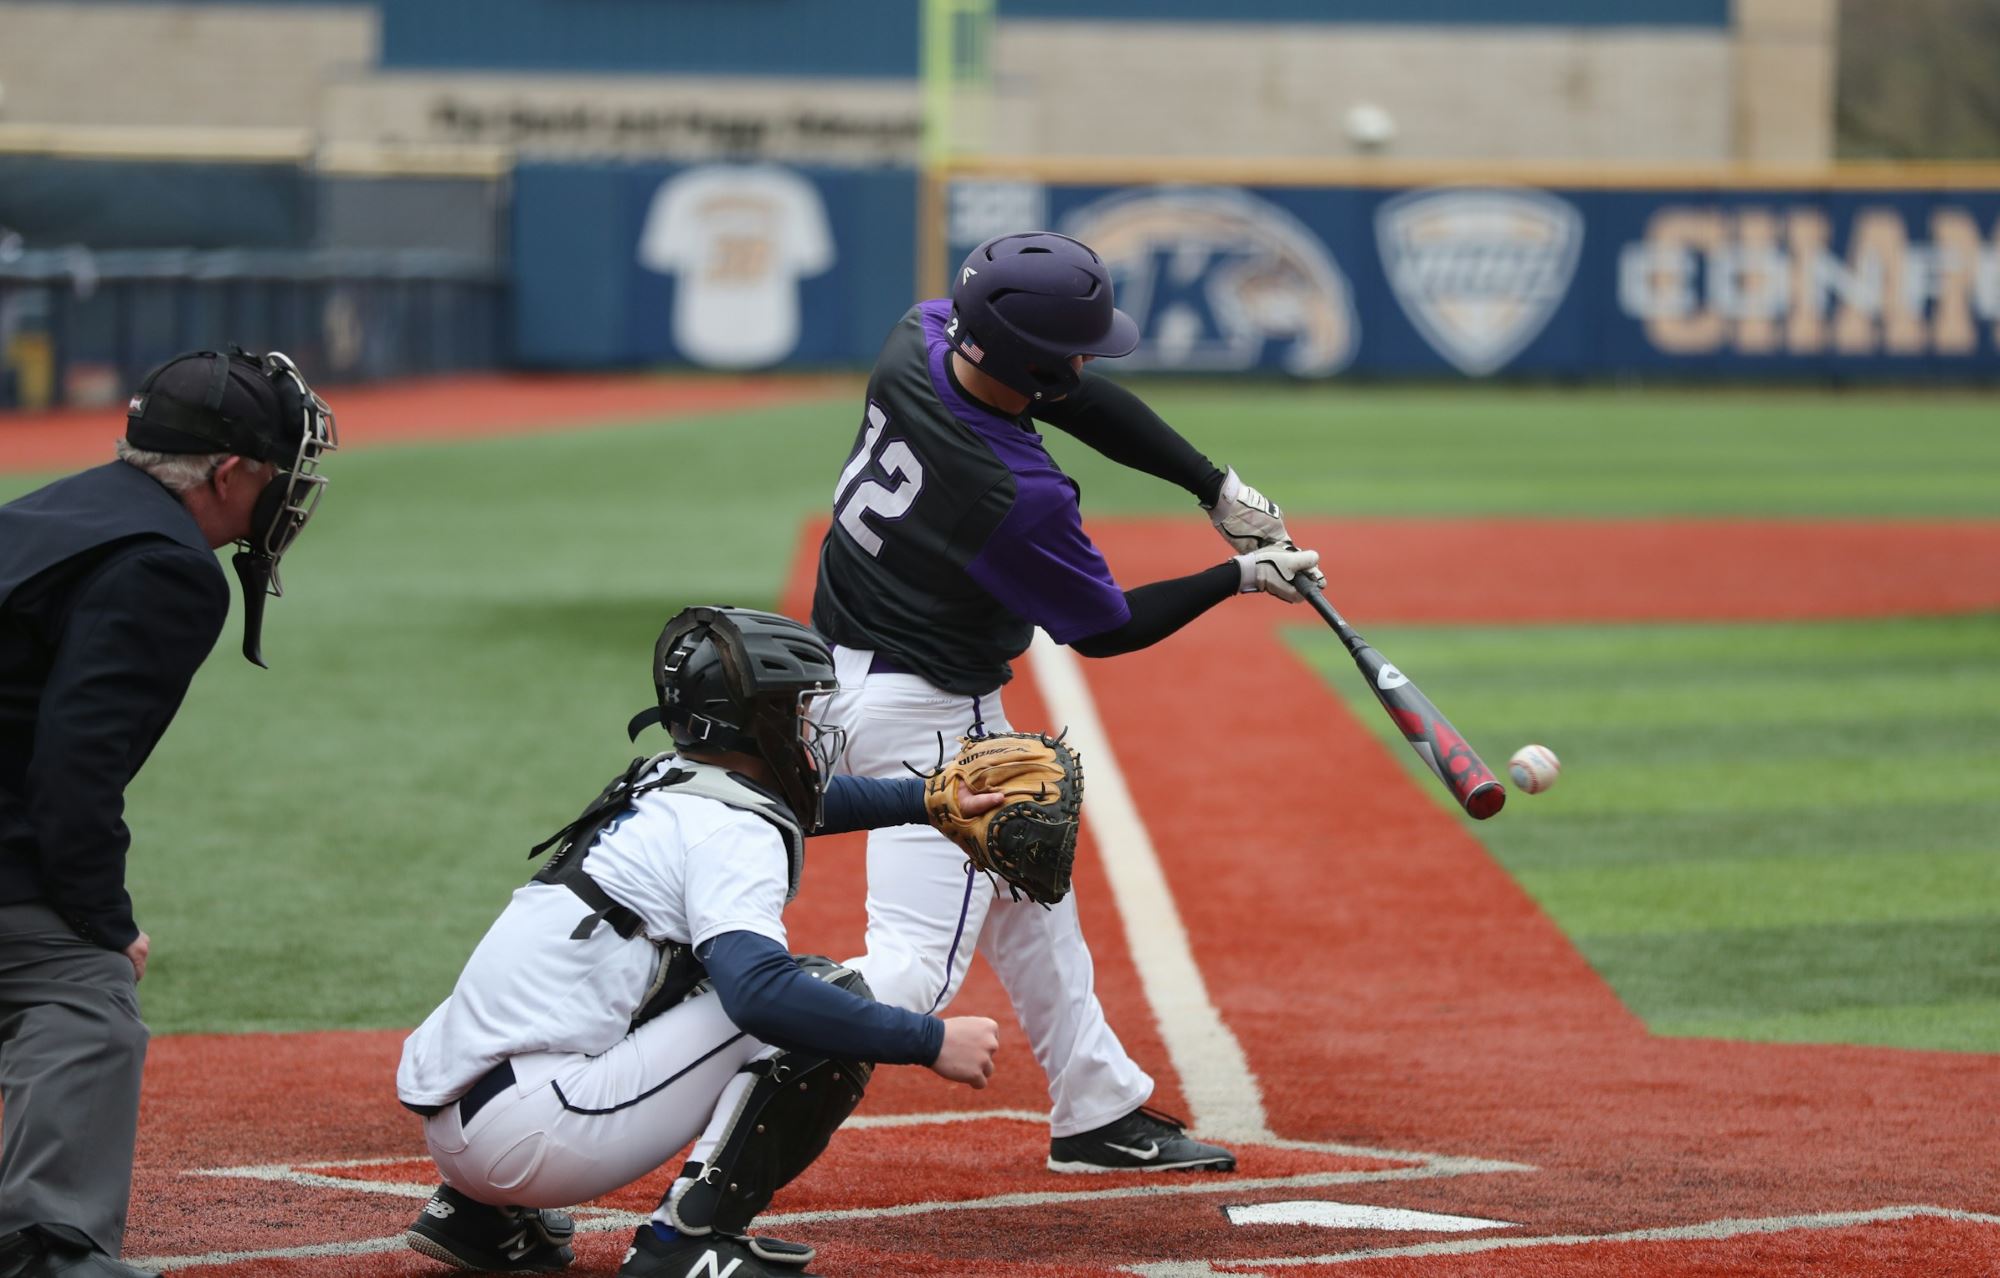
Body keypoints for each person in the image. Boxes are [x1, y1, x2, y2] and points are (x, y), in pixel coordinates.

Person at [809, 231, 1321, 1175]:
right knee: (913, 970)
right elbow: (1106, 628)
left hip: (834, 675)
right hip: (930, 716)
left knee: (1028, 885)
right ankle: (718, 1037)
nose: (1090, 360)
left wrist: (1212, 485)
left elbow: (1069, 393)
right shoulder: (1017, 494)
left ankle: (1096, 1105)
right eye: (1076, 347)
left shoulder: (917, 338)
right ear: (1030, 363)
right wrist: (1241, 575)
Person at [396, 606, 1006, 1278]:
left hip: (465, 1121)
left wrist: (930, 801)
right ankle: (687, 1238)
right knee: (814, 997)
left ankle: (483, 1220)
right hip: (538, 1134)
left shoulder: (667, 779)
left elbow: (808, 803)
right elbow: (761, 996)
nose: (811, 727)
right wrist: (931, 1042)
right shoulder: (730, 834)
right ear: (759, 722)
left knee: (680, 971)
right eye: (798, 709)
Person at [0, 349, 338, 1278]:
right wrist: (103, 924)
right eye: (279, 473)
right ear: (231, 474)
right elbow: (75, 772)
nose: (288, 493)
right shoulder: (165, 567)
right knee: (84, 997)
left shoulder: (59, 508)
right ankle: (47, 1245)